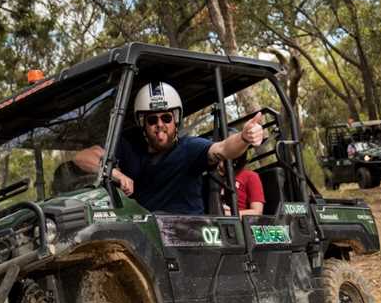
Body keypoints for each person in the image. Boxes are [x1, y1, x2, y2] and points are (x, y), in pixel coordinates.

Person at [73, 81, 265, 215]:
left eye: (166, 118)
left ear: (175, 120)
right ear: (143, 124)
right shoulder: (129, 149)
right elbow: (82, 158)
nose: (159, 124)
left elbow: (223, 149)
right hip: (148, 236)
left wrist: (243, 137)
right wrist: (116, 174)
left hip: (189, 235)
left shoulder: (190, 149)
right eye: (151, 119)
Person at [219, 149, 264, 216]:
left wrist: (229, 214)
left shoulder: (250, 176)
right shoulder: (212, 176)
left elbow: (257, 212)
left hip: (237, 222)